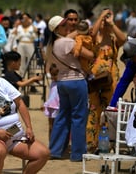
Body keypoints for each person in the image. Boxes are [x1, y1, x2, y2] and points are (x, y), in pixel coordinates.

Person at [46, 15, 94, 161]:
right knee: (79, 117)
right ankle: (78, 154)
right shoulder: (67, 42)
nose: (68, 26)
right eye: (64, 24)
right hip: (76, 81)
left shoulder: (51, 45)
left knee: (62, 116)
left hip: (62, 82)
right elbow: (90, 55)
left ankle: (55, 150)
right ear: (57, 29)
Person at [86, 8, 126, 152]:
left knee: (110, 108)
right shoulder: (95, 35)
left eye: (106, 18)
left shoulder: (113, 37)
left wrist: (112, 24)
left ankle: (108, 142)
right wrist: (101, 17)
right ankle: (92, 143)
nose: (104, 21)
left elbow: (124, 40)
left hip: (111, 75)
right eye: (103, 19)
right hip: (95, 77)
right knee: (94, 107)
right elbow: (92, 34)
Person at [109, 38, 136, 107]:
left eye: (132, 57)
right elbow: (123, 82)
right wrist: (112, 105)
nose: (131, 60)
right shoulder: (134, 63)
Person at [41, 63, 60, 142]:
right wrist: (45, 104)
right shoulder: (53, 83)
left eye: (55, 75)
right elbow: (51, 96)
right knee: (51, 127)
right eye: (52, 75)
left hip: (58, 108)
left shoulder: (61, 84)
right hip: (51, 108)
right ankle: (51, 144)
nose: (53, 77)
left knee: (58, 126)